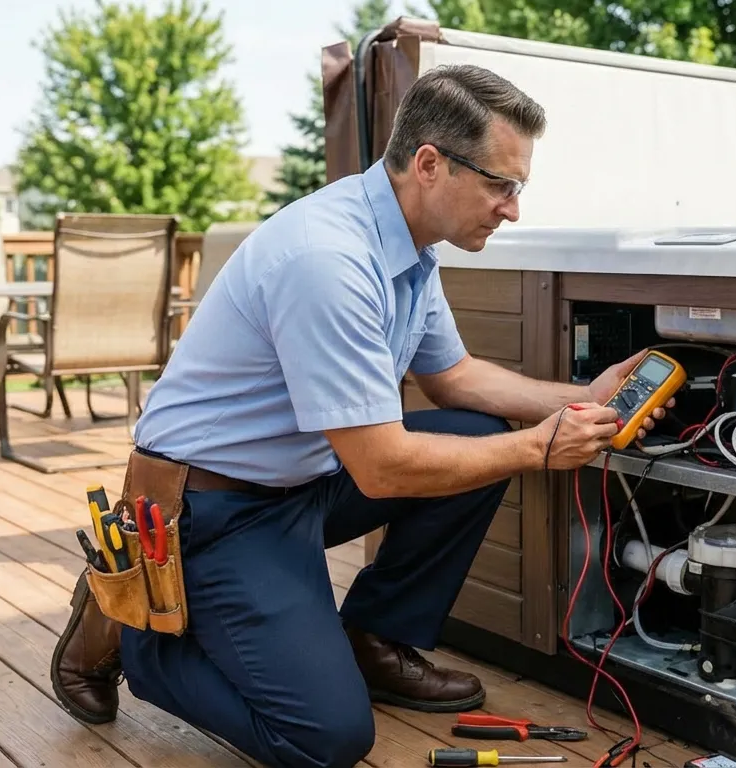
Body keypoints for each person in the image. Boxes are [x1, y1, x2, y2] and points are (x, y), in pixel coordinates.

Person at [49, 63, 671, 768]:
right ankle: (135, 631)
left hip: (303, 481)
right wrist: (539, 448)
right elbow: (382, 468)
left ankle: (371, 640)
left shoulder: (410, 247)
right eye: (503, 184)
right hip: (207, 507)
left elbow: (456, 379)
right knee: (326, 738)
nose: (513, 208)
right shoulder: (328, 258)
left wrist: (585, 400)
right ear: (430, 164)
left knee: (475, 439)